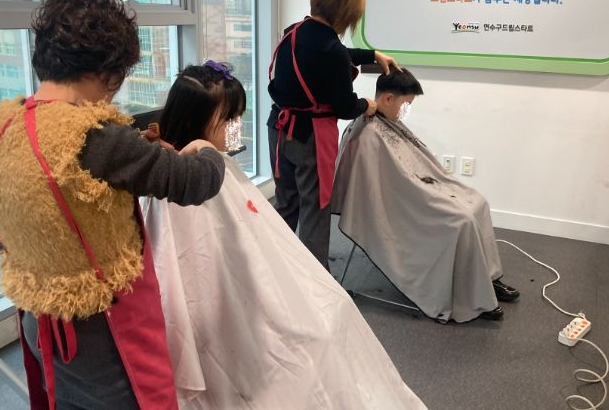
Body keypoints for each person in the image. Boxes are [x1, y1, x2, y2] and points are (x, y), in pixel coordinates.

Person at [0, 0, 226, 409]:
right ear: (107, 71)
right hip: (101, 331)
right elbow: (195, 182)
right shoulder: (93, 136)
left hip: (39, 320)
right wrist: (207, 149)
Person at [143, 62, 426, 410]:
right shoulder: (183, 182)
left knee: (335, 307)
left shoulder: (212, 162)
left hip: (261, 285)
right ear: (194, 120)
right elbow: (198, 274)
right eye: (229, 120)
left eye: (237, 118)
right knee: (314, 340)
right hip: (233, 312)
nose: (236, 129)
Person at [332, 69, 519, 323]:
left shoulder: (388, 122)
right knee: (462, 220)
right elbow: (386, 188)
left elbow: (416, 167)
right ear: (388, 99)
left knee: (478, 203)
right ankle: (473, 296)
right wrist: (430, 194)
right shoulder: (367, 133)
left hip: (419, 190)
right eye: (405, 105)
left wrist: (437, 186)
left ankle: (487, 279)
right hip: (403, 203)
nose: (405, 112)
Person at [267, 0, 399, 268]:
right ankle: (316, 280)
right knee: (315, 208)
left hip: (278, 129)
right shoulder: (332, 51)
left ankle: (276, 269)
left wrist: (371, 55)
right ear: (347, 13)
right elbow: (344, 106)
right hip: (309, 139)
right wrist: (367, 105)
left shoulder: (293, 32)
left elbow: (329, 54)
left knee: (286, 202)